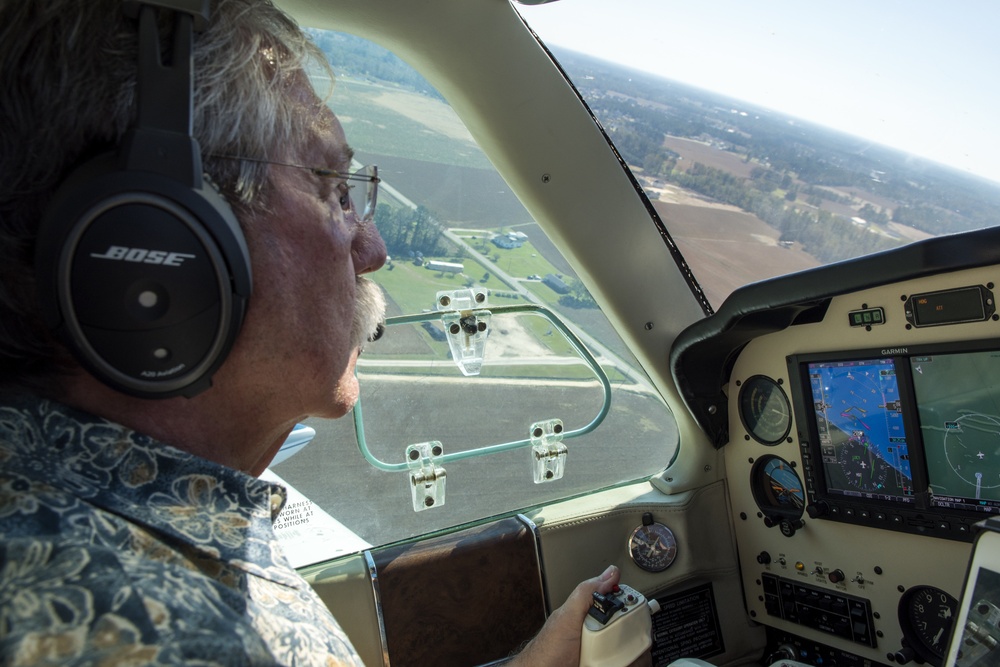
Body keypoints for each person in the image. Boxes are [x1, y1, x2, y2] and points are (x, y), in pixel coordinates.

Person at [0, 0, 629, 664]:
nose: (376, 249)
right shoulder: (162, 632)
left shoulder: (120, 528)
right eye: (334, 192)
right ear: (162, 243)